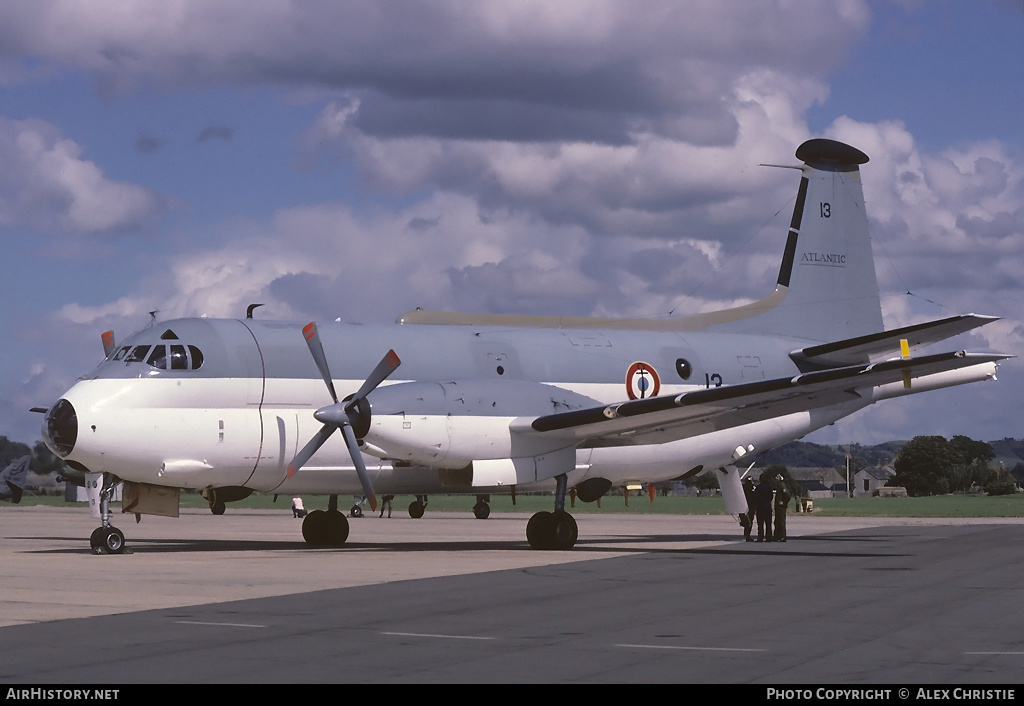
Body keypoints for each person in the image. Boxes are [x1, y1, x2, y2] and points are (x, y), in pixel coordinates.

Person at [753, 472, 774, 542]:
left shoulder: (758, 488)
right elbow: (771, 497)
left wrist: (756, 505)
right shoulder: (769, 487)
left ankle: (760, 537)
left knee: (760, 524)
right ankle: (769, 537)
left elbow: (755, 497)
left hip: (760, 507)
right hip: (767, 506)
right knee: (768, 524)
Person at [773, 474, 791, 542]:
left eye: (777, 477)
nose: (775, 478)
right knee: (777, 522)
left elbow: (787, 495)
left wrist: (784, 502)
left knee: (781, 522)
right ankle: (777, 536)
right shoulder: (779, 486)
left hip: (781, 508)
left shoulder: (782, 486)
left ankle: (783, 536)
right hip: (778, 507)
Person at [741, 476, 756, 541]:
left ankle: (746, 534)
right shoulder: (752, 488)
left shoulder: (743, 488)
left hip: (747, 506)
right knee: (748, 521)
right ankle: (747, 535)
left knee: (748, 521)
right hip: (748, 506)